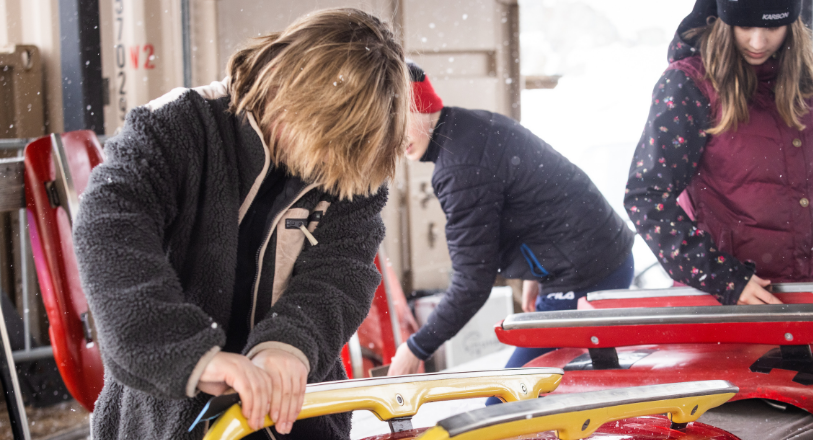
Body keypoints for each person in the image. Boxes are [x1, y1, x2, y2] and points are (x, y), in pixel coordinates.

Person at [72, 9, 408, 439]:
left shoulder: (354, 161)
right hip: (167, 416)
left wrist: (291, 343)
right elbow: (110, 234)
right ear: (286, 88)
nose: (329, 167)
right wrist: (187, 353)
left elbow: (342, 271)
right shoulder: (176, 126)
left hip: (294, 412)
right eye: (325, 144)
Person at [387, 62, 635, 380]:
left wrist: (416, 348)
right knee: (557, 392)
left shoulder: (460, 167)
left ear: (421, 105)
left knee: (511, 402)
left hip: (587, 276)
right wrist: (536, 273)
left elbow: (472, 283)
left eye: (399, 121)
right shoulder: (470, 125)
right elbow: (543, 191)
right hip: (599, 256)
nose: (394, 140)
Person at [624, 0, 813, 305]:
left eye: (773, 27)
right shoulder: (689, 83)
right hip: (734, 304)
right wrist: (724, 277)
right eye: (745, 25)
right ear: (724, 20)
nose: (758, 42)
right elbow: (646, 196)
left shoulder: (809, 72)